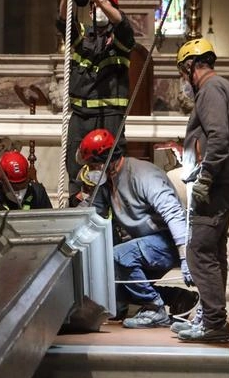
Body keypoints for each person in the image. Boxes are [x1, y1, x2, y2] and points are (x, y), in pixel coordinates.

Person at [76, 128, 192, 329]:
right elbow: (93, 212)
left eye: (93, 165)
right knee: (107, 288)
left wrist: (185, 254)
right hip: (143, 246)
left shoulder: (143, 174)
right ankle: (176, 297)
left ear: (107, 160)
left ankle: (155, 308)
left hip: (166, 242)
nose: (91, 170)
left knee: (119, 255)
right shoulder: (107, 182)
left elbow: (173, 213)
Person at [173, 38, 229, 343]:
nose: (183, 81)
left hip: (213, 188)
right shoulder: (227, 90)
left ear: (191, 66)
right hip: (224, 184)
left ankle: (214, 322)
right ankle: (209, 316)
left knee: (199, 252)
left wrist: (206, 175)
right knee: (214, 254)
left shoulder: (210, 92)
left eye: (182, 73)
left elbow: (219, 137)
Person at [57, 0, 135, 202]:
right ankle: (76, 205)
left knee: (111, 166)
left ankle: (113, 210)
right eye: (93, 7)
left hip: (109, 116)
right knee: (75, 164)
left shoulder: (121, 41)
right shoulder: (82, 37)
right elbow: (64, 22)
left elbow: (121, 24)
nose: (98, 10)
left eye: (102, 6)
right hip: (80, 117)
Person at [0, 150, 52, 275]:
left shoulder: (37, 193)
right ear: (1, 181)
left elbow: (50, 228)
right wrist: (4, 251)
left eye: (22, 186)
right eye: (13, 187)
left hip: (32, 265)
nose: (18, 192)